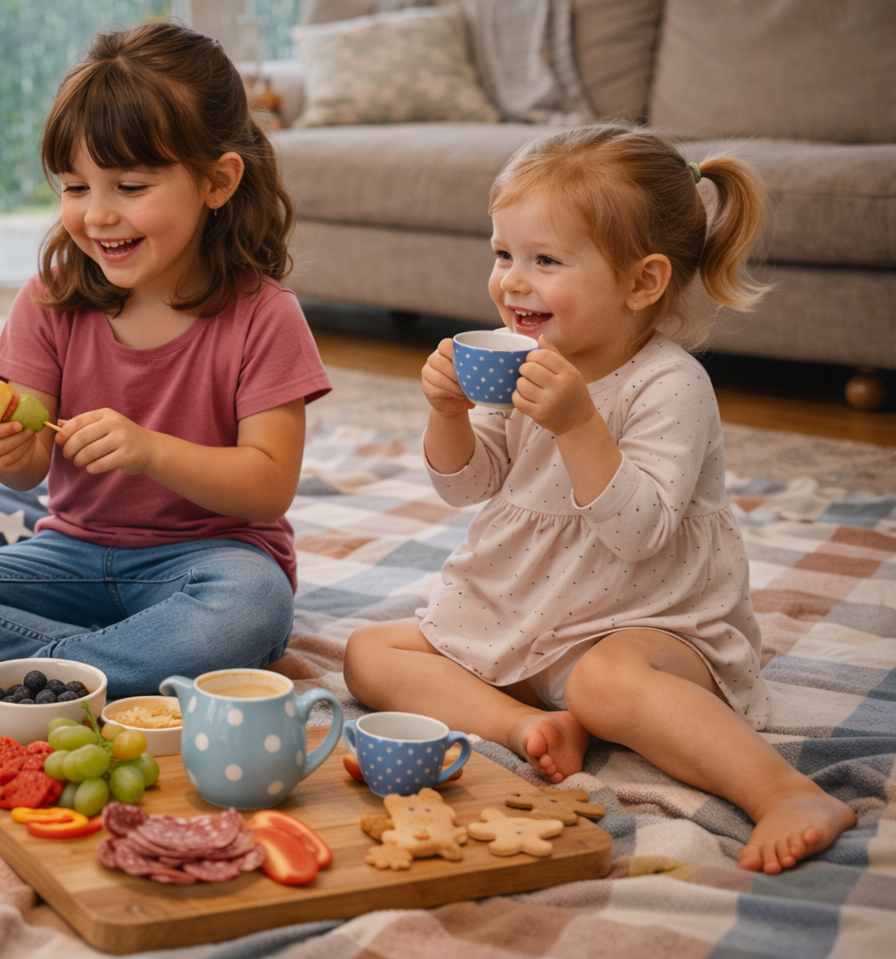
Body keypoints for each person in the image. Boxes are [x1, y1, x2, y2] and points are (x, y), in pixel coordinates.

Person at [343, 125, 856, 875]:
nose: (513, 281)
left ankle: (783, 792)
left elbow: (639, 533)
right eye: (504, 254)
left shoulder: (669, 385)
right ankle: (531, 728)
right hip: (526, 610)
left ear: (642, 282)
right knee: (368, 652)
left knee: (605, 682)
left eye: (545, 261)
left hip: (648, 620)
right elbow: (466, 485)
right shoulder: (514, 358)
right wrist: (447, 413)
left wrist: (579, 422)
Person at [0, 21, 331, 705]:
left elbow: (268, 486)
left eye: (128, 185)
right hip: (74, 557)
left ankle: (24, 680)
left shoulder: (265, 316)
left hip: (211, 564)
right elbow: (29, 466)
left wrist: (150, 450)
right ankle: (107, 669)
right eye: (74, 186)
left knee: (252, 611)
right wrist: (7, 448)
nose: (97, 215)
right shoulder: (50, 301)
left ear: (217, 181)